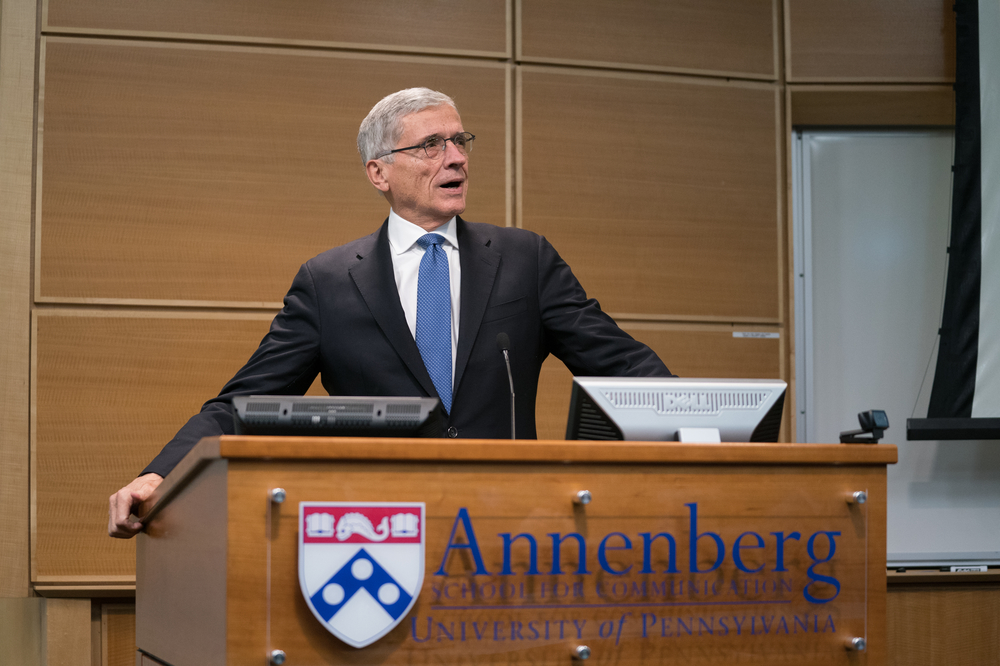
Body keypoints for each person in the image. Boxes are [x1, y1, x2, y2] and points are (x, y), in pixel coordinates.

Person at [108, 87, 672, 538]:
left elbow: (620, 364)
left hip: (512, 525)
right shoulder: (328, 282)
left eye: (460, 141)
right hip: (381, 530)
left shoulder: (525, 259)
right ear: (379, 172)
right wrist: (159, 473)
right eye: (431, 145)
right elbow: (241, 403)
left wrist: (705, 426)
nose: (455, 158)